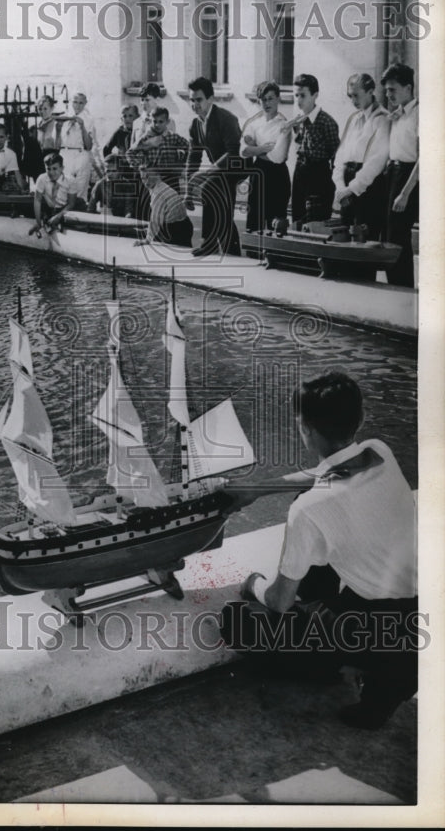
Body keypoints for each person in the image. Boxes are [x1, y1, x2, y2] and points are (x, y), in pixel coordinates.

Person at [220, 372, 417, 730]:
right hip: (419, 612)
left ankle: (328, 664)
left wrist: (254, 583)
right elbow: (327, 473)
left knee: (239, 621)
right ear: (359, 419)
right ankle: (373, 679)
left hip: (372, 627)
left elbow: (278, 601)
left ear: (305, 429)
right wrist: (256, 487)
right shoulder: (380, 452)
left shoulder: (309, 510)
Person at [186, 76, 243, 256]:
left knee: (210, 189)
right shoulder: (195, 124)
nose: (195, 104)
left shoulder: (226, 118)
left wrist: (207, 173)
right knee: (223, 212)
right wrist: (189, 187)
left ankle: (209, 244)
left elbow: (233, 152)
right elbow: (193, 157)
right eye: (192, 100)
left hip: (237, 165)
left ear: (211, 99)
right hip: (219, 170)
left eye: (199, 100)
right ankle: (230, 251)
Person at [331, 74, 390, 241]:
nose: (353, 100)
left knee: (364, 238)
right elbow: (340, 155)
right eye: (350, 96)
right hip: (347, 184)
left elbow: (376, 162)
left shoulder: (383, 119)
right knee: (343, 236)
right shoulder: (353, 118)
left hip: (369, 186)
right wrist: (340, 186)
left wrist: (351, 189)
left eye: (356, 95)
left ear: (370, 91)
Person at [381, 63, 419, 287]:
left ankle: (403, 288)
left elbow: (424, 158)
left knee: (398, 236)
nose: (388, 94)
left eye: (392, 89)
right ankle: (395, 285)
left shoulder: (420, 114)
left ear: (408, 87)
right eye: (386, 90)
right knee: (389, 234)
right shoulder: (399, 115)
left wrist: (405, 194)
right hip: (393, 173)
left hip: (408, 176)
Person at [286, 73, 340, 228]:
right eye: (296, 95)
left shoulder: (326, 122)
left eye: (303, 95)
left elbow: (335, 153)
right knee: (297, 218)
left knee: (315, 222)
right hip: (300, 172)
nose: (298, 100)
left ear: (315, 95)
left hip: (319, 175)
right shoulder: (298, 120)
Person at [240, 81, 292, 233]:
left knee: (275, 224)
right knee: (254, 221)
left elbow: (278, 156)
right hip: (258, 173)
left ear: (278, 99)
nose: (267, 103)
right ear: (258, 101)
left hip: (277, 176)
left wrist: (255, 148)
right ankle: (253, 255)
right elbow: (243, 151)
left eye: (270, 98)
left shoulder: (284, 125)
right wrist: (263, 149)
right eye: (263, 99)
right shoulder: (253, 124)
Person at [129, 107, 189, 195]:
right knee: (155, 205)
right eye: (155, 121)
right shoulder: (146, 137)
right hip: (153, 178)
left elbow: (189, 147)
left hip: (171, 177)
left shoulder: (173, 137)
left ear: (167, 122)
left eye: (161, 122)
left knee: (173, 202)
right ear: (151, 121)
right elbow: (130, 152)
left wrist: (181, 164)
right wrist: (142, 166)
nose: (157, 125)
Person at [133, 161, 194, 248]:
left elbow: (155, 220)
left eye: (149, 176)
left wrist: (147, 239)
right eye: (143, 178)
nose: (146, 181)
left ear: (158, 175)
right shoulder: (162, 186)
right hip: (185, 224)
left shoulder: (158, 193)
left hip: (176, 231)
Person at [58, 92, 97, 202]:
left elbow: (88, 146)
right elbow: (57, 144)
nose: (77, 105)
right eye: (75, 102)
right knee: (64, 185)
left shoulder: (89, 120)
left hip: (81, 153)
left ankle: (79, 212)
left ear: (85, 104)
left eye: (81, 103)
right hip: (65, 153)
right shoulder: (63, 118)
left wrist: (82, 126)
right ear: (71, 102)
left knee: (81, 187)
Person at [30, 153, 78, 235]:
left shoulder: (70, 181)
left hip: (65, 208)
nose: (51, 172)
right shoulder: (42, 179)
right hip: (50, 208)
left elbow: (71, 204)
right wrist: (38, 222)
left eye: (54, 169)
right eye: (48, 169)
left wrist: (59, 216)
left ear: (62, 168)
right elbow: (37, 200)